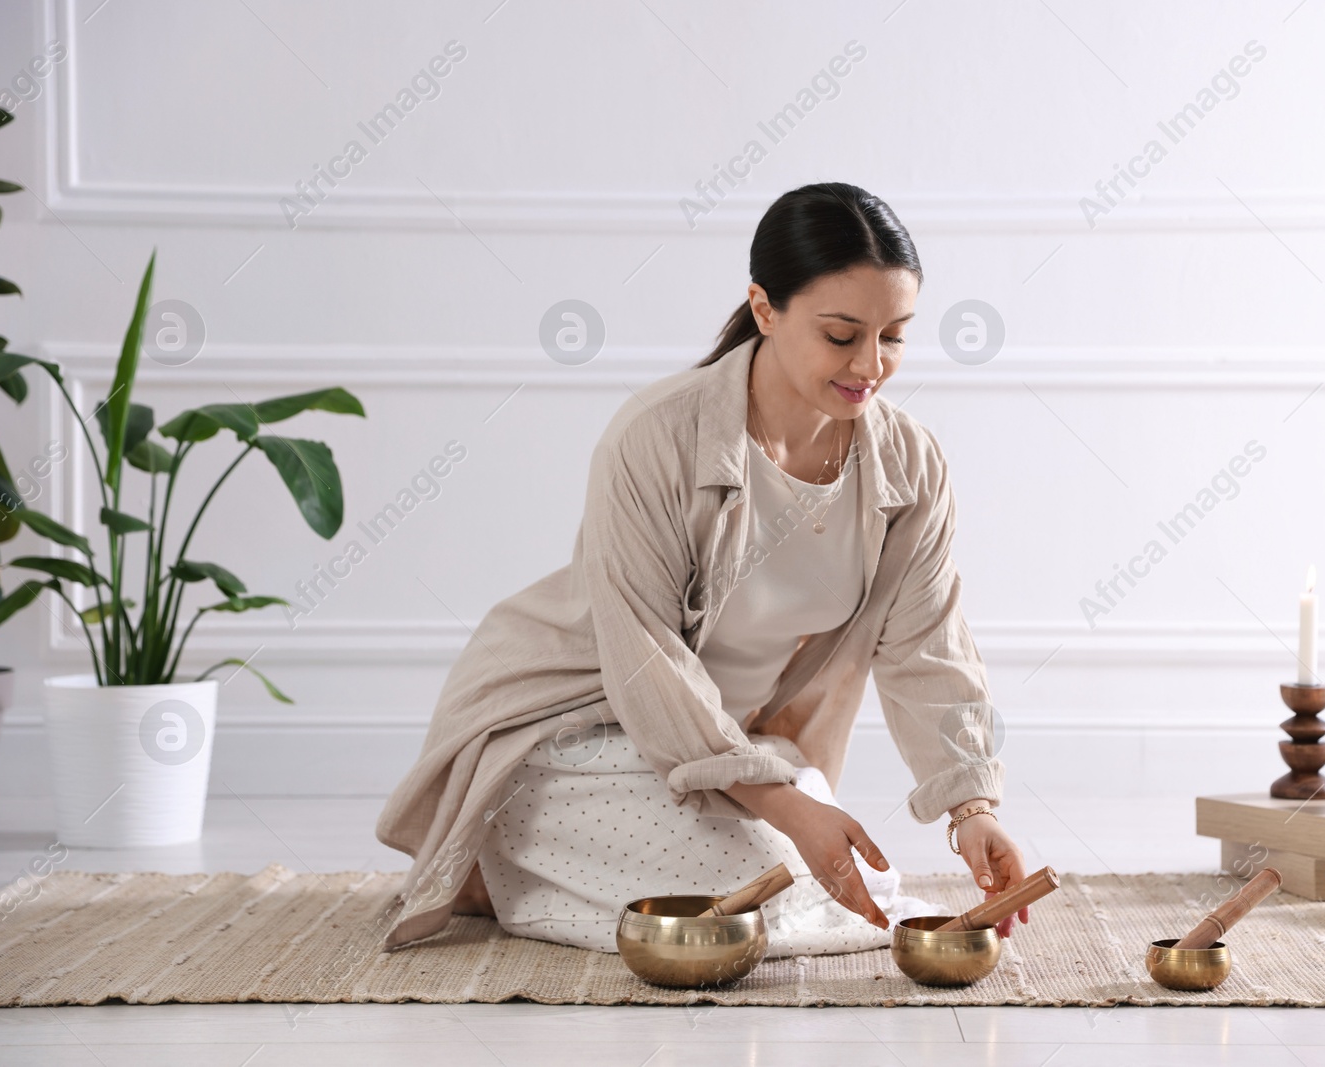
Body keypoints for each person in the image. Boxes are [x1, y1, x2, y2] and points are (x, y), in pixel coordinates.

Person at [375, 182, 1030, 955]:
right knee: (762, 879)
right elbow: (647, 663)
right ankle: (491, 853)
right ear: (764, 309)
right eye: (842, 333)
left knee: (819, 860)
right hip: (568, 728)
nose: (871, 364)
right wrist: (784, 804)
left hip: (725, 747)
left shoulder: (909, 463)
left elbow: (928, 645)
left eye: (894, 335)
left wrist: (972, 809)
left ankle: (559, 866)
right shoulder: (655, 438)